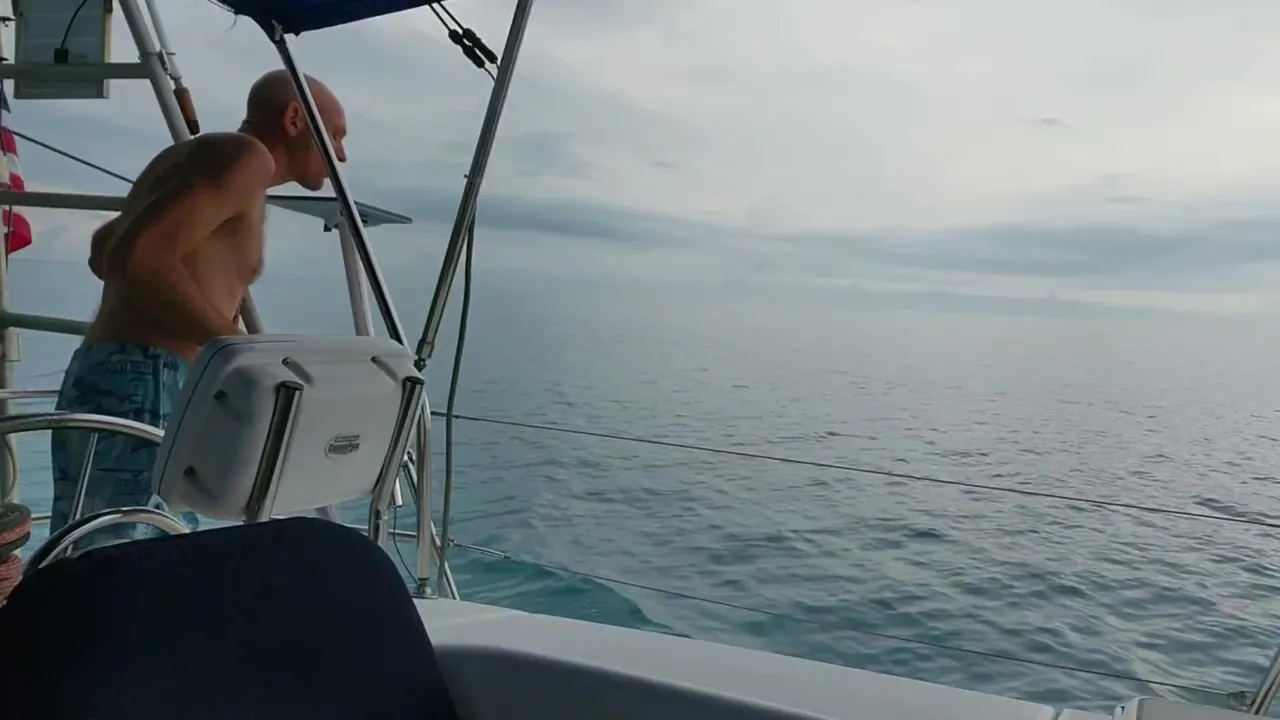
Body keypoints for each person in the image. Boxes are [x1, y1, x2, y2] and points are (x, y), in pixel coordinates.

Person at [49, 70, 348, 542]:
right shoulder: (247, 158)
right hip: (149, 382)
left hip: (113, 374)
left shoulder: (186, 157)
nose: (341, 155)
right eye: (335, 135)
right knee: (131, 557)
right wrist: (246, 355)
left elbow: (105, 249)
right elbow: (135, 258)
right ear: (295, 118)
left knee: (94, 551)